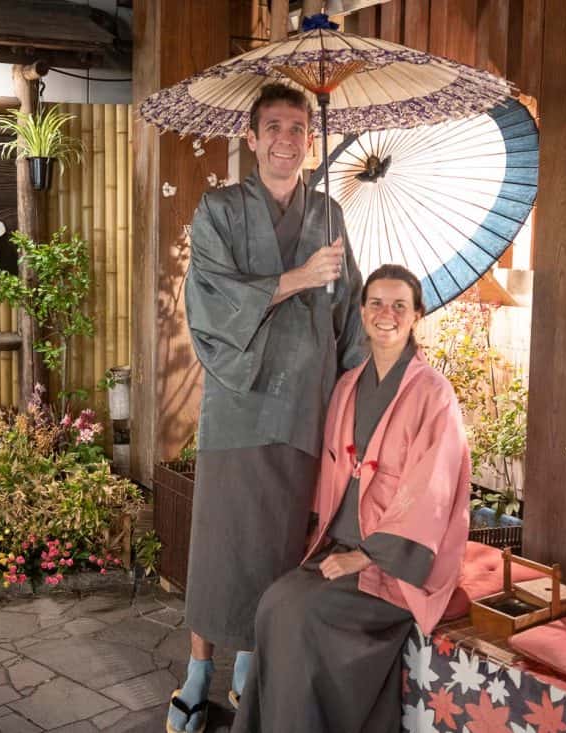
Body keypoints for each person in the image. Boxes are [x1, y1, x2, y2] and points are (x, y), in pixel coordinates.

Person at [168, 83, 367, 733]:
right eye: (274, 126)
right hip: (239, 404)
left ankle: (252, 673)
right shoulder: (218, 211)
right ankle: (198, 674)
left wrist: (369, 385)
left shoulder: (329, 215)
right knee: (221, 545)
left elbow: (349, 315)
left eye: (299, 127)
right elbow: (212, 303)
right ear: (251, 138)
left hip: (303, 410)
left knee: (278, 553)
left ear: (312, 140)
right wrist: (297, 278)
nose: (287, 137)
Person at [231, 264, 472, 733]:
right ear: (362, 312)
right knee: (275, 602)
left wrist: (365, 557)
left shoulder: (434, 395)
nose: (387, 314)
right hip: (345, 547)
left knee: (304, 615)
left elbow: (432, 493)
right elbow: (330, 477)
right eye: (377, 303)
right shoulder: (348, 386)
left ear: (417, 315)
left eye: (400, 305)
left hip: (398, 565)